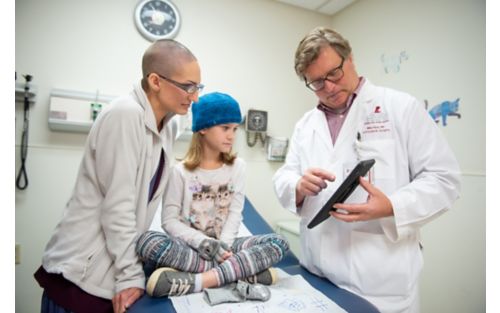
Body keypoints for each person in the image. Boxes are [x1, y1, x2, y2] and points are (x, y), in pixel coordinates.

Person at [272, 26, 461, 313]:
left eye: (333, 74)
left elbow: (444, 179)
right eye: (317, 83)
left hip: (379, 284)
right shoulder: (306, 124)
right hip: (317, 273)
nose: (329, 87)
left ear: (350, 59)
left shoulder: (400, 108)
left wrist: (392, 206)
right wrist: (297, 185)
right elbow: (286, 173)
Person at [34, 39, 204, 313]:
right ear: (155, 81)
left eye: (198, 87)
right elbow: (118, 207)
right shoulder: (125, 115)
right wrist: (130, 276)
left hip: (113, 270)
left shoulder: (167, 128)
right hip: (81, 275)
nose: (194, 96)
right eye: (187, 86)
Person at [135, 92, 289, 298]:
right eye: (225, 128)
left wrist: (222, 247)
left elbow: (235, 213)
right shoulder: (179, 172)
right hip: (192, 246)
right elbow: (169, 221)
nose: (232, 136)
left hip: (227, 245)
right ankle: (244, 272)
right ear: (203, 128)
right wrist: (204, 243)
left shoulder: (238, 167)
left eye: (235, 129)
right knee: (147, 242)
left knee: (279, 242)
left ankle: (199, 280)